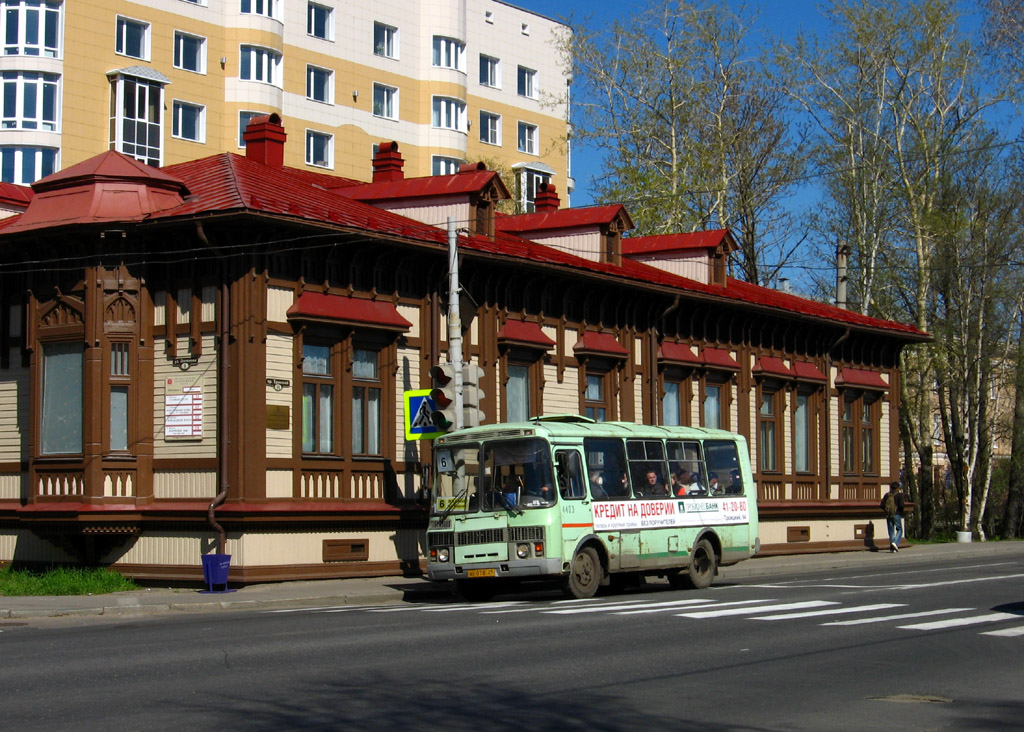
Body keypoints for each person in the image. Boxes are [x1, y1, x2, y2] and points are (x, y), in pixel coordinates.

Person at [880, 481, 906, 552]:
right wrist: (900, 512)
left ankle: (892, 548)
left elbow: (882, 505)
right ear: (897, 488)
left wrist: (886, 511)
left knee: (891, 531)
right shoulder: (900, 495)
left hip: (888, 515)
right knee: (899, 530)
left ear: (891, 487)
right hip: (896, 514)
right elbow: (901, 505)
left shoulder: (887, 495)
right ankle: (895, 543)